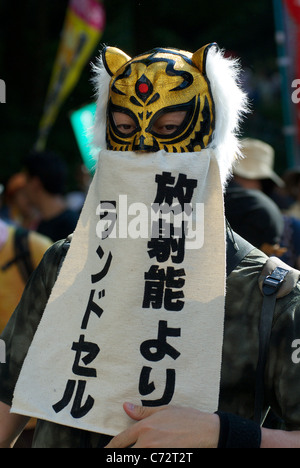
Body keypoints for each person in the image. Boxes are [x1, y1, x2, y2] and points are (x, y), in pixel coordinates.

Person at [1, 44, 300, 449]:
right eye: (124, 130)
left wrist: (225, 433)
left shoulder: (269, 294)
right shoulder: (65, 265)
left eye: (168, 128)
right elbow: (8, 400)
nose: (144, 150)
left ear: (210, 141)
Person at [21, 151, 79, 242]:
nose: (24, 187)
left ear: (35, 183)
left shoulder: (73, 227)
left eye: (26, 181)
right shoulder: (40, 225)